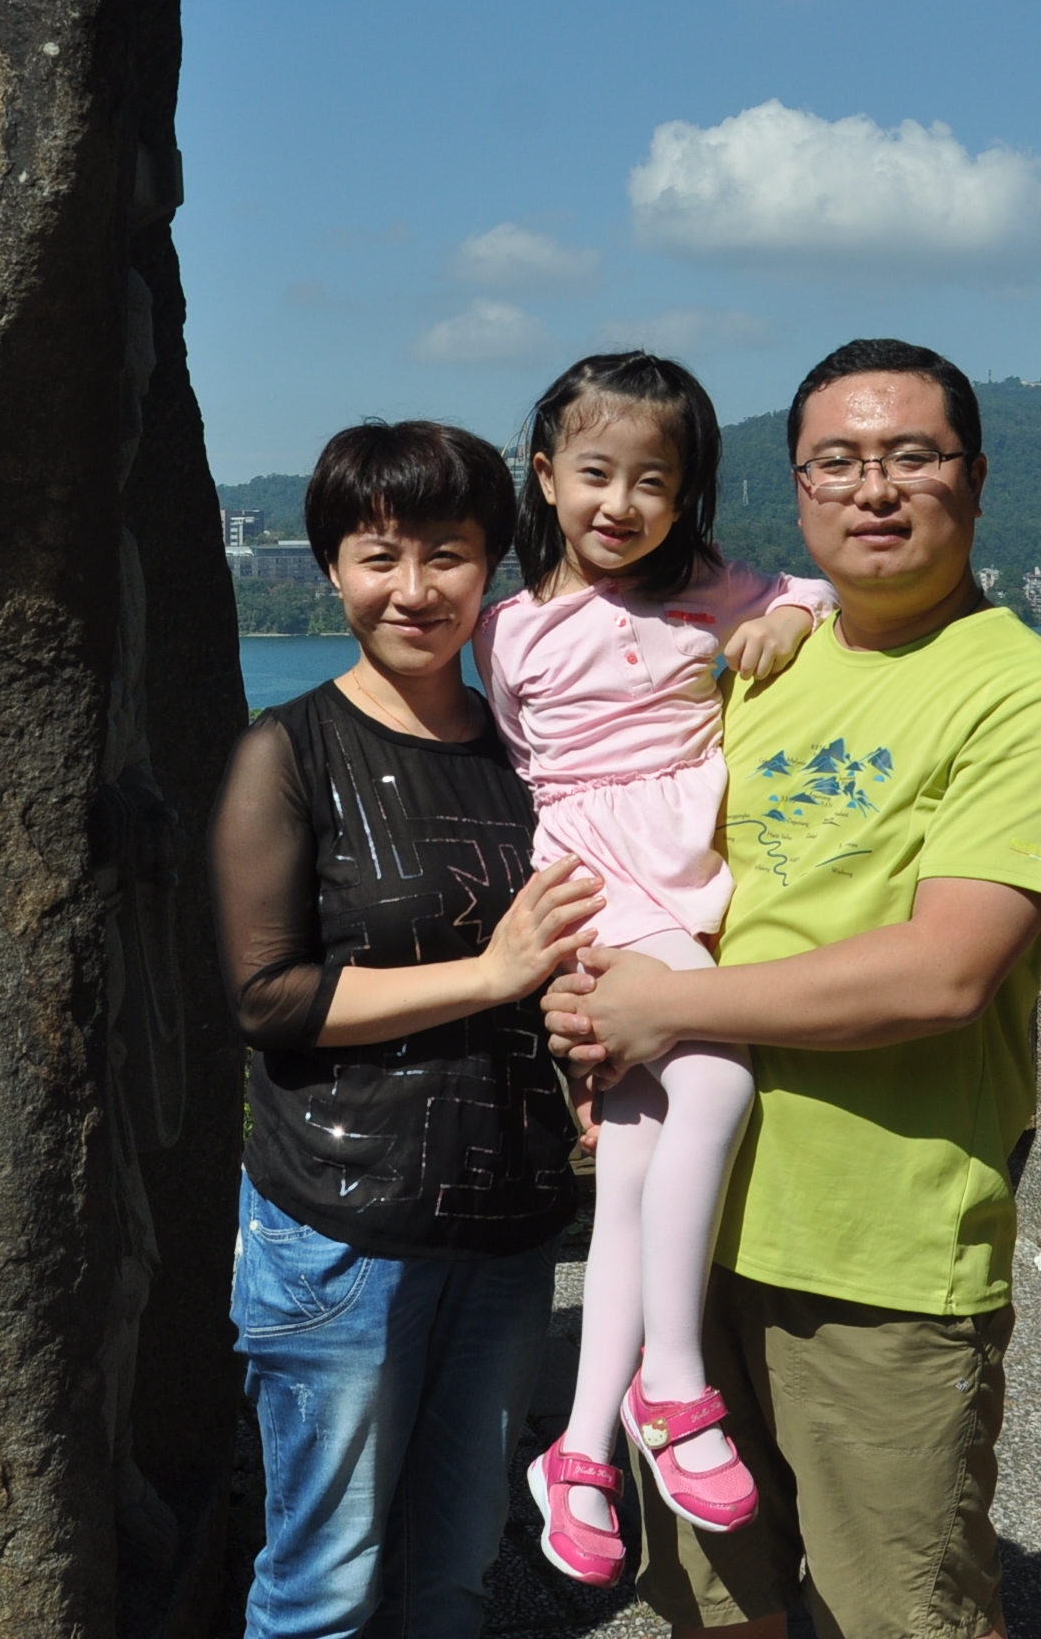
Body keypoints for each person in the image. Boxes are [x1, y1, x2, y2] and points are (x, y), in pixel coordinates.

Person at [545, 337, 1041, 1639]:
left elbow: (946, 971)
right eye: (837, 462)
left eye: (912, 456)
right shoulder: (761, 660)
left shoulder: (1015, 693)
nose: (873, 487)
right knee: (715, 1603)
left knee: (899, 1613)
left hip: (879, 1252)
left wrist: (666, 1011)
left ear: (976, 478)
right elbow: (653, 875)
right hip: (696, 1239)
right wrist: (588, 1017)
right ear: (799, 489)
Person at [211, 419, 605, 1639]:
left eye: (449, 554)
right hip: (342, 1233)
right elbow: (268, 998)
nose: (416, 589)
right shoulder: (290, 752)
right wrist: (489, 974)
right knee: (324, 1583)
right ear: (333, 569)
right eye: (380, 556)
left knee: (458, 1564)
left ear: (492, 569)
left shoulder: (530, 754)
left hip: (509, 1226)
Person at [474, 352, 835, 1585]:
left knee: (633, 1150)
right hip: (595, 878)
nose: (620, 504)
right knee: (719, 1080)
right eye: (595, 473)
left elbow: (808, 590)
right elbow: (529, 769)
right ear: (545, 474)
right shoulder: (510, 628)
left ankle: (579, 1450)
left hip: (687, 877)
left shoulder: (710, 588)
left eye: (653, 481)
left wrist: (788, 618)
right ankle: (671, 1384)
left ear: (687, 494)